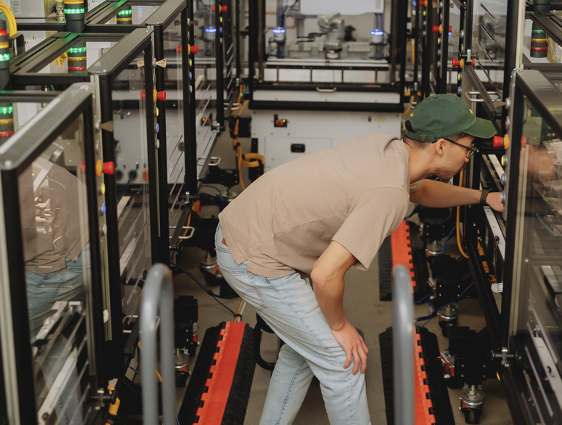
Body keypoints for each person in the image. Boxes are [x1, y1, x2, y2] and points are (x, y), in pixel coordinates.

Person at [216, 94, 503, 425]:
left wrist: (484, 197)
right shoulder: (388, 193)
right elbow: (325, 274)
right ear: (441, 146)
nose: (468, 155)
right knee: (343, 361)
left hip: (247, 230)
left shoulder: (390, 151)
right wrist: (341, 327)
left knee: (307, 349)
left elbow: (422, 191)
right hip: (253, 256)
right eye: (468, 146)